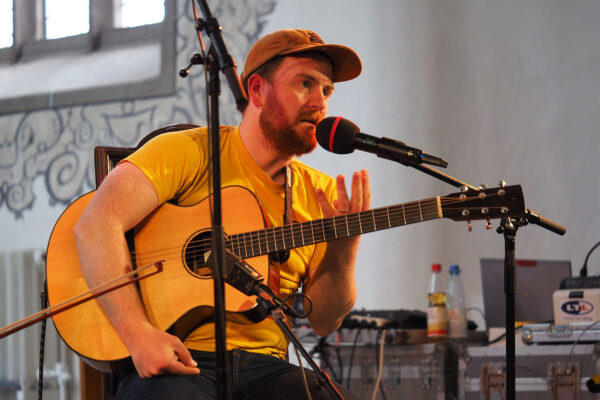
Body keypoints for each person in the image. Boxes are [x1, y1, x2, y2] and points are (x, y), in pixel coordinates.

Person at [74, 28, 370, 399]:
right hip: (176, 359)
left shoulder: (323, 193)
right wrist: (138, 335)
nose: (319, 103)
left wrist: (344, 249)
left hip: (268, 368)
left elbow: (324, 321)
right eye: (305, 84)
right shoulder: (187, 151)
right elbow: (96, 225)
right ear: (257, 90)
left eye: (326, 91)